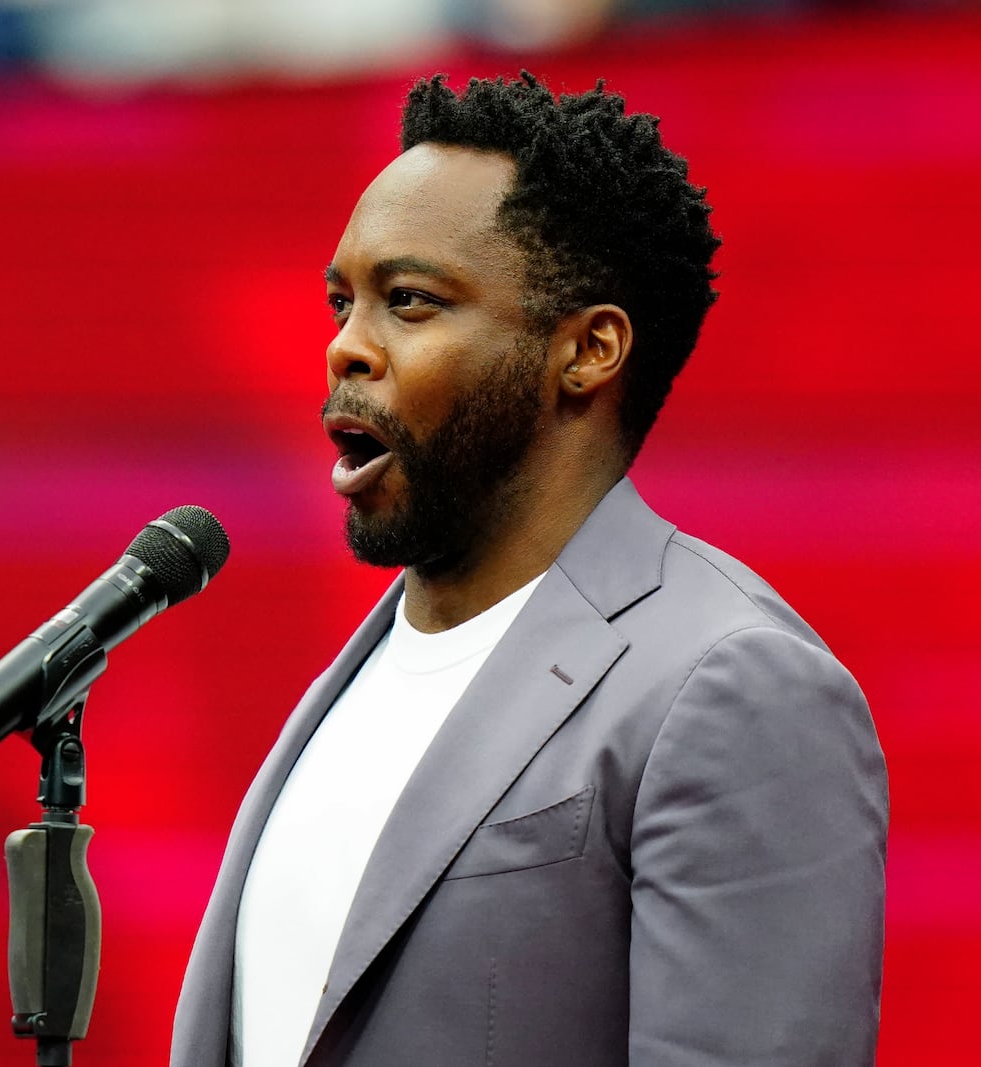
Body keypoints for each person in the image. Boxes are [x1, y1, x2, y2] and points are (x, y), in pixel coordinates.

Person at [172, 71, 887, 1067]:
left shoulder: (733, 685)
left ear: (586, 349)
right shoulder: (361, 673)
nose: (344, 346)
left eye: (408, 302)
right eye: (342, 300)